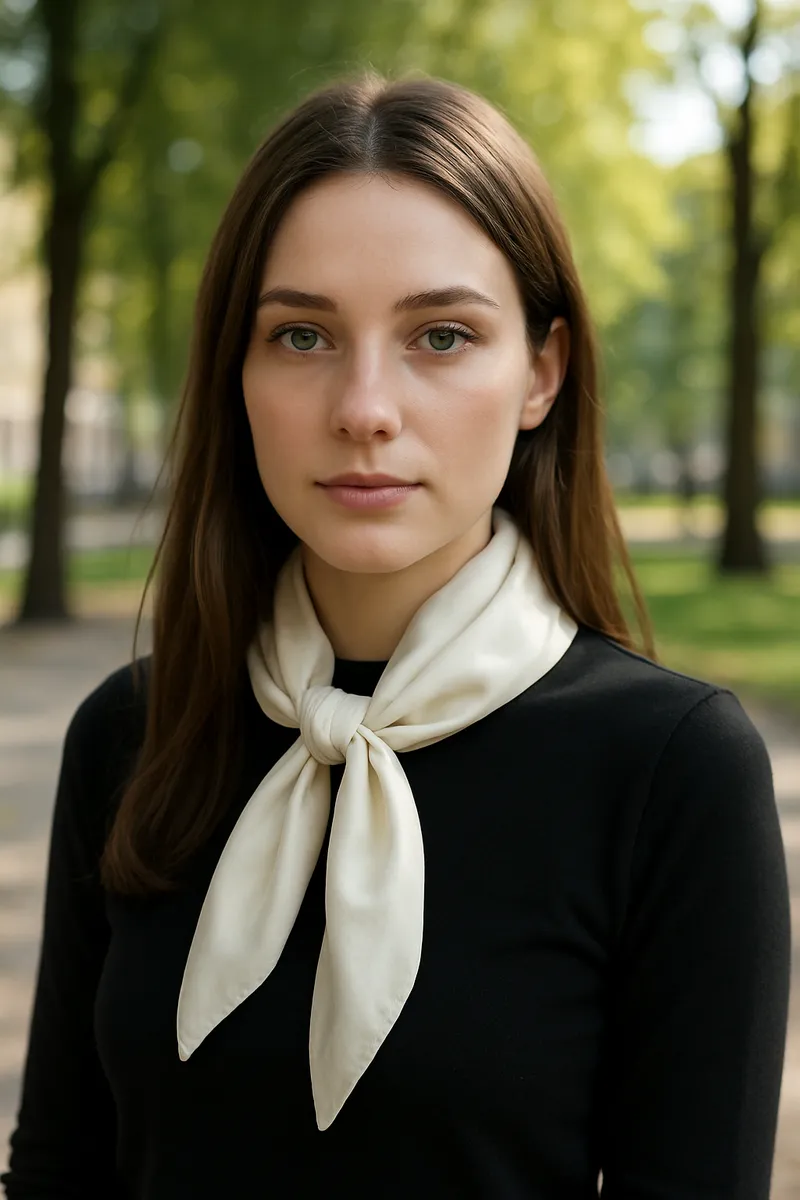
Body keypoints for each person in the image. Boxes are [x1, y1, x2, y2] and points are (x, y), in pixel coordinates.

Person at [2, 70, 791, 1199]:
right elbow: (61, 1171)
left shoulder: (668, 771)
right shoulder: (133, 732)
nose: (364, 406)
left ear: (541, 372)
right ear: (238, 372)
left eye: (439, 334)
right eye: (304, 336)